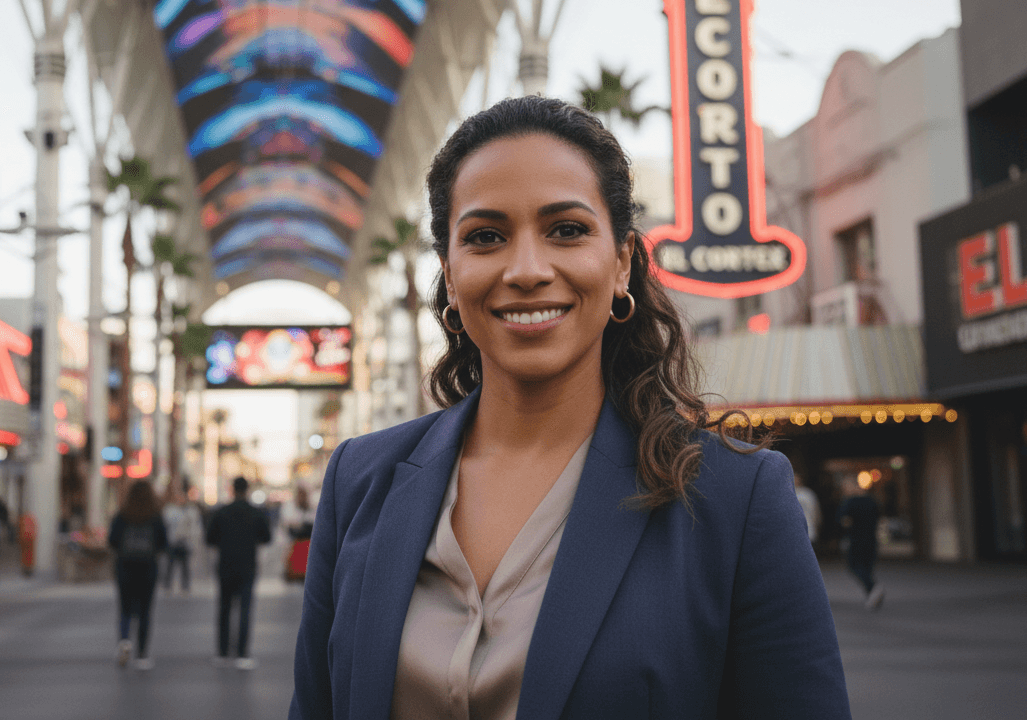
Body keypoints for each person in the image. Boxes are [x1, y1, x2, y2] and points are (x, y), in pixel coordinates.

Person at [289, 97, 850, 719]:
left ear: (622, 263)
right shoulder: (360, 481)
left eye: (567, 230)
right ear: (450, 276)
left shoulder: (733, 498)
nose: (527, 269)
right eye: (486, 237)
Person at [207, 476, 273, 670]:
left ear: (232, 489)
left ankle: (222, 652)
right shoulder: (255, 513)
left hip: (225, 564)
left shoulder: (221, 512)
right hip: (247, 565)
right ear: (247, 490)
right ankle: (243, 654)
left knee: (224, 608)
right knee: (245, 608)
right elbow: (266, 538)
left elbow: (210, 538)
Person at [108, 479, 167, 669]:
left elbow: (112, 540)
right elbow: (163, 543)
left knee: (125, 608)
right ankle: (142, 654)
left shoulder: (123, 514)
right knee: (145, 610)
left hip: (125, 567)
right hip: (148, 568)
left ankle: (125, 641)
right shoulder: (155, 516)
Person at [838, 478, 884, 611]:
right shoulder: (872, 501)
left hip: (855, 538)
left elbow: (842, 520)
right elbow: (878, 517)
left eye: (846, 487)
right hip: (871, 538)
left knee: (854, 566)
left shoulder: (850, 502)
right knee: (867, 567)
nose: (844, 490)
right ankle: (872, 595)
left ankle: (873, 588)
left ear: (853, 486)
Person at [161, 488, 199, 593]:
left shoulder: (190, 511)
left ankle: (185, 586)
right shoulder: (169, 510)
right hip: (173, 541)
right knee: (170, 565)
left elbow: (194, 527)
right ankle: (167, 585)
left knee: (185, 566)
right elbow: (165, 524)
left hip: (185, 542)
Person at [795, 472, 822, 547]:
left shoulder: (807, 493)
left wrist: (817, 525)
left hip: (809, 529)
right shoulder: (787, 493)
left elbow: (815, 511)